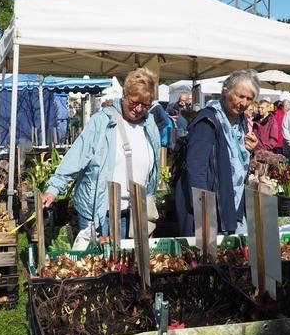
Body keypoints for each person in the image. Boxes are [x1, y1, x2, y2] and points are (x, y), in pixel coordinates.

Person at [42, 68, 161, 239]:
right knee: (97, 255)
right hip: (98, 209)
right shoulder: (102, 121)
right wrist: (54, 188)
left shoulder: (150, 125)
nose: (139, 109)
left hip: (134, 209)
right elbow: (77, 155)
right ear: (124, 94)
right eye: (134, 102)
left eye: (146, 105)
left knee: (127, 256)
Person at [175, 69, 260, 236]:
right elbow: (196, 169)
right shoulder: (207, 122)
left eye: (249, 99)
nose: (244, 103)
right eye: (240, 96)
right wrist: (205, 213)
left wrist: (251, 150)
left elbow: (235, 161)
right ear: (226, 91)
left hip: (233, 203)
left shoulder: (241, 120)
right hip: (212, 210)